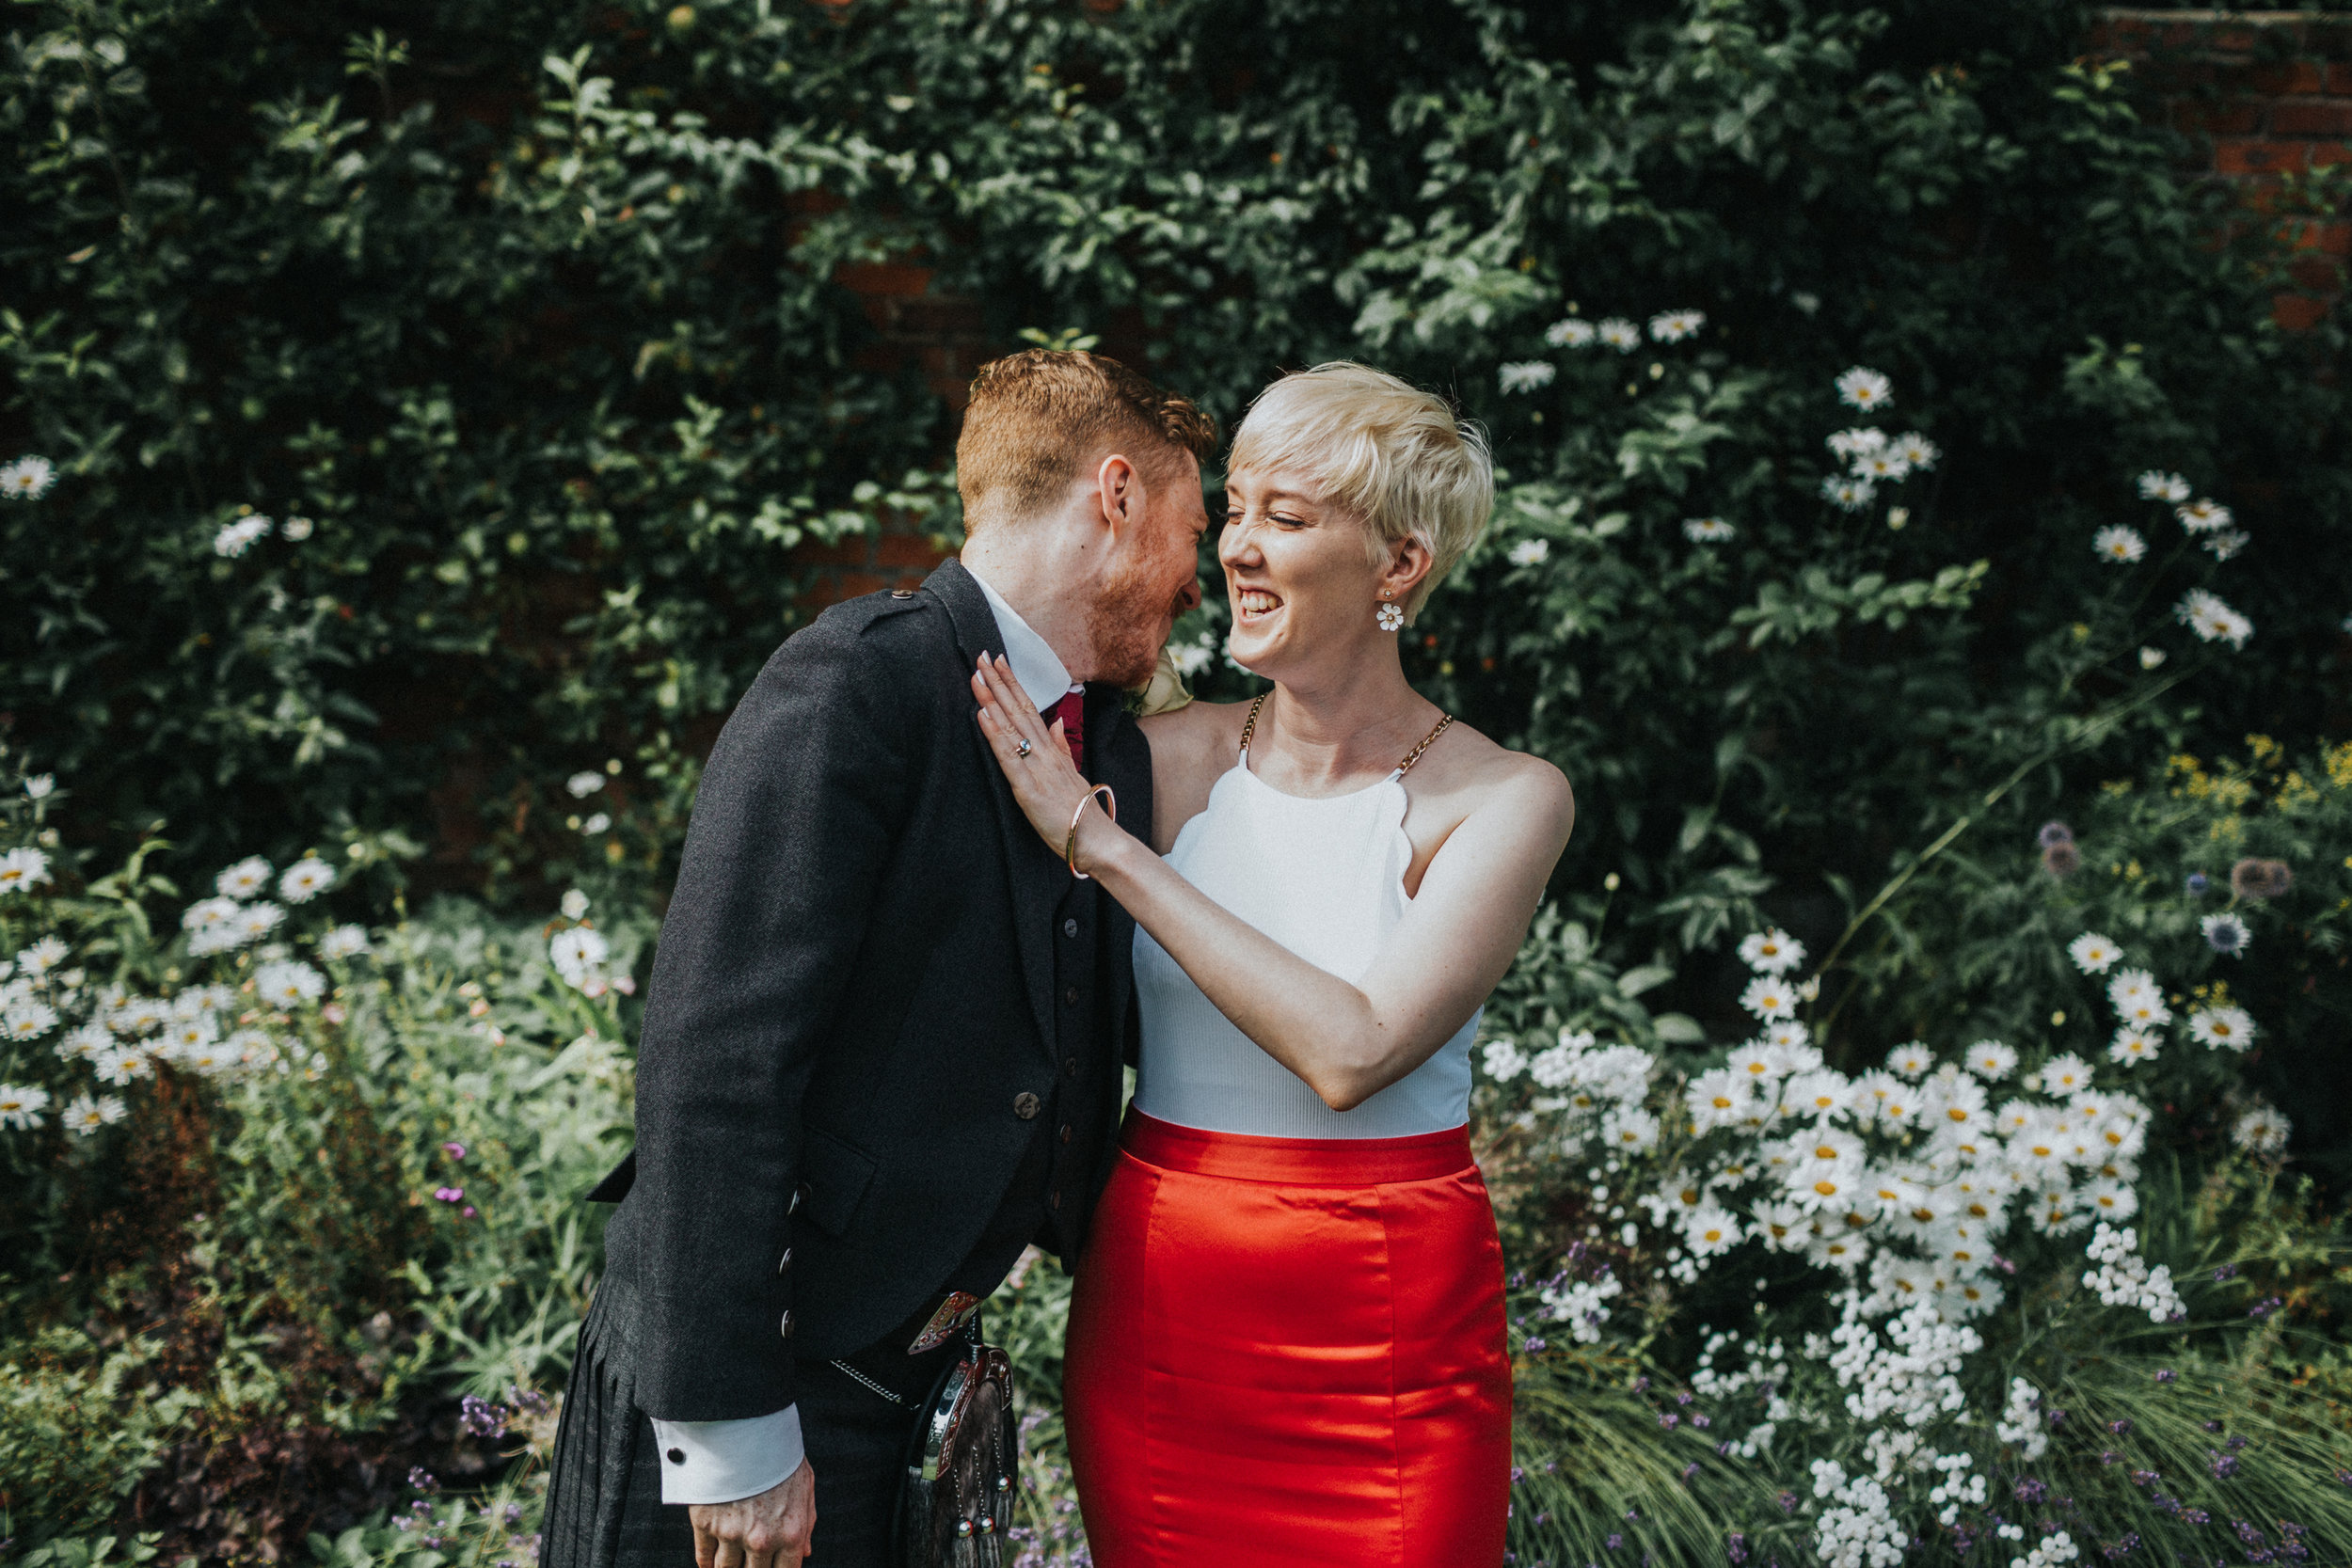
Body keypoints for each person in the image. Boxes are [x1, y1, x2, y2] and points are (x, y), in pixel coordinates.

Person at [542, 349, 1215, 1568]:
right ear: (1115, 496)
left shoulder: (1107, 740)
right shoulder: (862, 676)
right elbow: (716, 1057)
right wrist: (736, 1431)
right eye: (1193, 527)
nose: (1198, 579)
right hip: (758, 1383)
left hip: (907, 1385)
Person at [971, 361, 1575, 1567]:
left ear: (1399, 564)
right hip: (1167, 1307)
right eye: (1234, 507)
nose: (1235, 547)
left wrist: (1105, 849)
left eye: (1285, 518)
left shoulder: (1507, 797)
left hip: (1390, 1323)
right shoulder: (1151, 754)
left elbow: (1353, 1050)